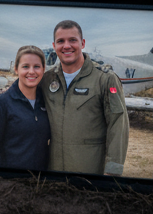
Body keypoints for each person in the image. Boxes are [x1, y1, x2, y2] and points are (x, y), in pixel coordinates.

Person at [42, 20, 128, 176]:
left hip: (90, 173)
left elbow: (118, 124)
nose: (66, 46)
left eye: (72, 40)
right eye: (60, 41)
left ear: (82, 43)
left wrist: (113, 170)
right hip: (53, 173)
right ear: (54, 46)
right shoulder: (47, 79)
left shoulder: (105, 79)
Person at [0, 45, 50, 170]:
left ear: (43, 69)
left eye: (36, 66)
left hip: (41, 182)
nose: (31, 71)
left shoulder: (47, 102)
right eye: (25, 66)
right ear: (16, 69)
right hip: (12, 183)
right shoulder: (0, 104)